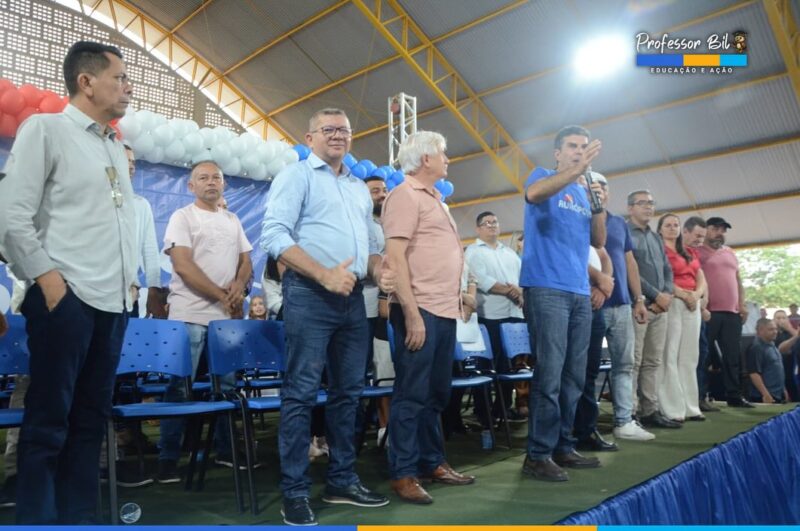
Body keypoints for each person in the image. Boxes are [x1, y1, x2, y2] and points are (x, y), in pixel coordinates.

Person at [0, 41, 136, 524]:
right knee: (48, 423)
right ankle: (37, 521)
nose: (127, 86)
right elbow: (11, 215)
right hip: (67, 298)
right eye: (119, 77)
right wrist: (48, 280)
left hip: (113, 303)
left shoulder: (113, 145)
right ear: (86, 81)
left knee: (90, 423)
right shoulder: (46, 129)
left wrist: (129, 288)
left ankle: (79, 519)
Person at [261, 108, 389, 526]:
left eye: (344, 130)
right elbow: (275, 236)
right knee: (299, 394)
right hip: (310, 294)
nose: (337, 136)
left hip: (352, 299)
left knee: (348, 394)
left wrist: (378, 270)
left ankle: (341, 480)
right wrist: (323, 274)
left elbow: (368, 247)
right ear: (310, 136)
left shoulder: (355, 188)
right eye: (328, 130)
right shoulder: (296, 175)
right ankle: (295, 492)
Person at [382, 130, 475, 504]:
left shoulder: (436, 198)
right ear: (425, 159)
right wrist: (411, 312)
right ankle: (403, 473)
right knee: (411, 394)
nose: (447, 159)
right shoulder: (404, 195)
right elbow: (396, 258)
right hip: (419, 308)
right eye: (443, 153)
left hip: (443, 308)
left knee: (437, 393)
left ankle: (432, 461)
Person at [519, 125, 607, 482]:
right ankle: (537, 454)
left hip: (579, 290)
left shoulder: (585, 191)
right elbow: (534, 194)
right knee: (550, 374)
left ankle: (563, 446)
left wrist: (599, 202)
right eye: (572, 146)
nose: (579, 152)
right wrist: (576, 172)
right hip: (546, 287)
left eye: (584, 147)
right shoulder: (543, 176)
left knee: (574, 375)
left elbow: (598, 239)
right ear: (557, 153)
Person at [157, 160, 253, 482]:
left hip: (224, 319)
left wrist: (238, 288)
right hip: (189, 315)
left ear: (224, 184)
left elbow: (246, 262)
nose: (211, 182)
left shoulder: (233, 219)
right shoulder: (181, 217)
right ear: (191, 186)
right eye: (203, 178)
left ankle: (226, 452)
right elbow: (182, 265)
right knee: (179, 388)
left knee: (227, 388)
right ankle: (168, 458)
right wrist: (221, 295)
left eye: (216, 177)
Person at [464, 211, 525, 428]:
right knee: (487, 365)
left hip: (514, 315)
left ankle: (503, 409)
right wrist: (511, 291)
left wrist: (519, 292)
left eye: (494, 222)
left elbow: (521, 280)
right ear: (478, 229)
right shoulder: (473, 252)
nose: (491, 226)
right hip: (489, 315)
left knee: (508, 366)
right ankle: (483, 412)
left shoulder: (509, 253)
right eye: (486, 223)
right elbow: (480, 280)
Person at [627, 190, 680, 429]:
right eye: (642, 203)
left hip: (661, 308)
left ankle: (650, 410)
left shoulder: (656, 237)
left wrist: (666, 294)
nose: (648, 207)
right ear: (630, 208)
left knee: (653, 361)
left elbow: (667, 268)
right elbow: (631, 270)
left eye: (651, 203)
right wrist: (655, 295)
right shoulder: (625, 233)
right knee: (634, 361)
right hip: (638, 306)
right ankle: (630, 413)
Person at [696, 217, 753, 407]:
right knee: (703, 356)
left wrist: (742, 305)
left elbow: (738, 281)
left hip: (732, 312)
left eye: (723, 230)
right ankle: (700, 396)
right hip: (708, 311)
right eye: (715, 229)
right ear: (706, 230)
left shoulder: (730, 253)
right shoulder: (697, 252)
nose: (720, 233)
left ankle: (734, 396)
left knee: (732, 356)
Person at [656, 213, 706, 422]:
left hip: (692, 304)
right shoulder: (660, 251)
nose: (672, 228)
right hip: (674, 301)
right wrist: (683, 294)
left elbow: (700, 277)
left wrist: (696, 294)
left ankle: (690, 407)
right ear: (660, 229)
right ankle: (672, 408)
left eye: (675, 224)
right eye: (668, 225)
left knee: (689, 356)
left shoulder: (690, 252)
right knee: (671, 354)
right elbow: (661, 278)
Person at [123, 144, 166, 319]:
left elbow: (150, 251)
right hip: (89, 292)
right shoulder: (92, 199)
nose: (131, 166)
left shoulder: (141, 205)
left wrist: (154, 292)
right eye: (126, 160)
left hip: (127, 296)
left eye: (133, 161)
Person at [746, 318, 788, 403]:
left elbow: (777, 370)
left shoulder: (772, 345)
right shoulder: (756, 348)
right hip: (764, 397)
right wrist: (765, 394)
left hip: (777, 394)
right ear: (761, 330)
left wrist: (783, 390)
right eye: (771, 329)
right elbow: (754, 373)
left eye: (776, 329)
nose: (775, 332)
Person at [773, 310, 799, 400]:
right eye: (778, 318)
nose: (781, 320)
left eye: (784, 318)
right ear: (773, 320)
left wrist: (789, 328)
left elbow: (798, 336)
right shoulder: (772, 334)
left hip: (791, 370)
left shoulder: (791, 332)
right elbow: (781, 349)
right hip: (777, 373)